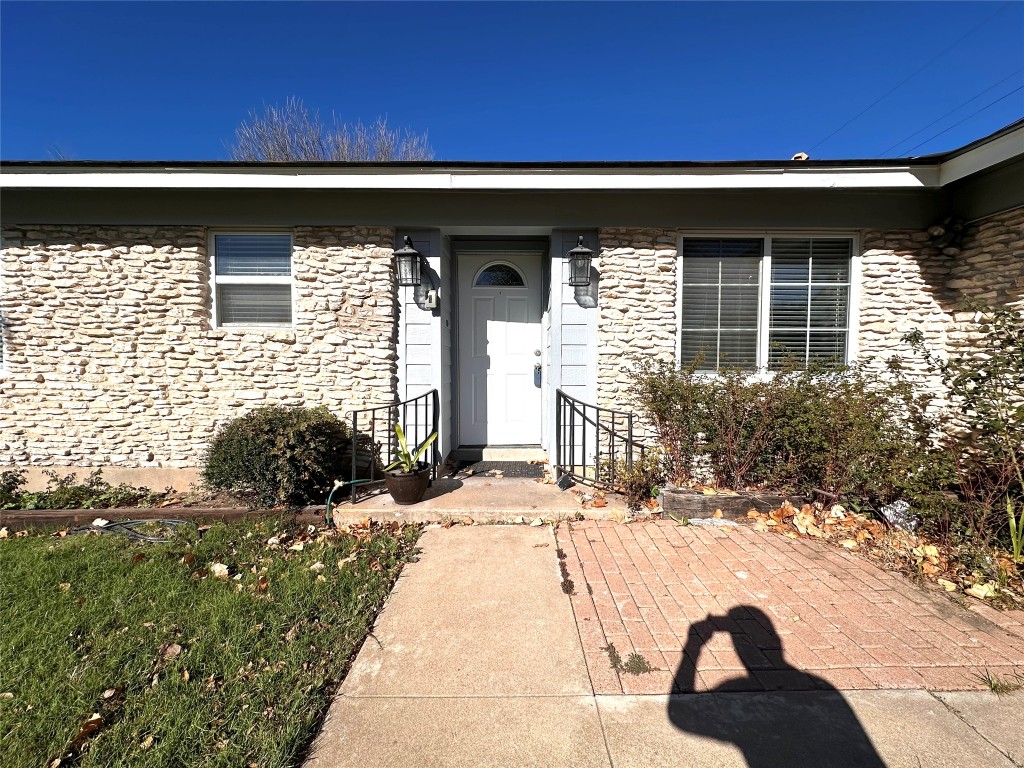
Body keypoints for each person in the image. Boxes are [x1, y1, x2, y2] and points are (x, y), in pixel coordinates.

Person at [669, 606, 885, 768]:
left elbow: (681, 716)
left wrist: (693, 648)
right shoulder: (819, 683)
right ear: (777, 640)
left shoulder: (736, 685)